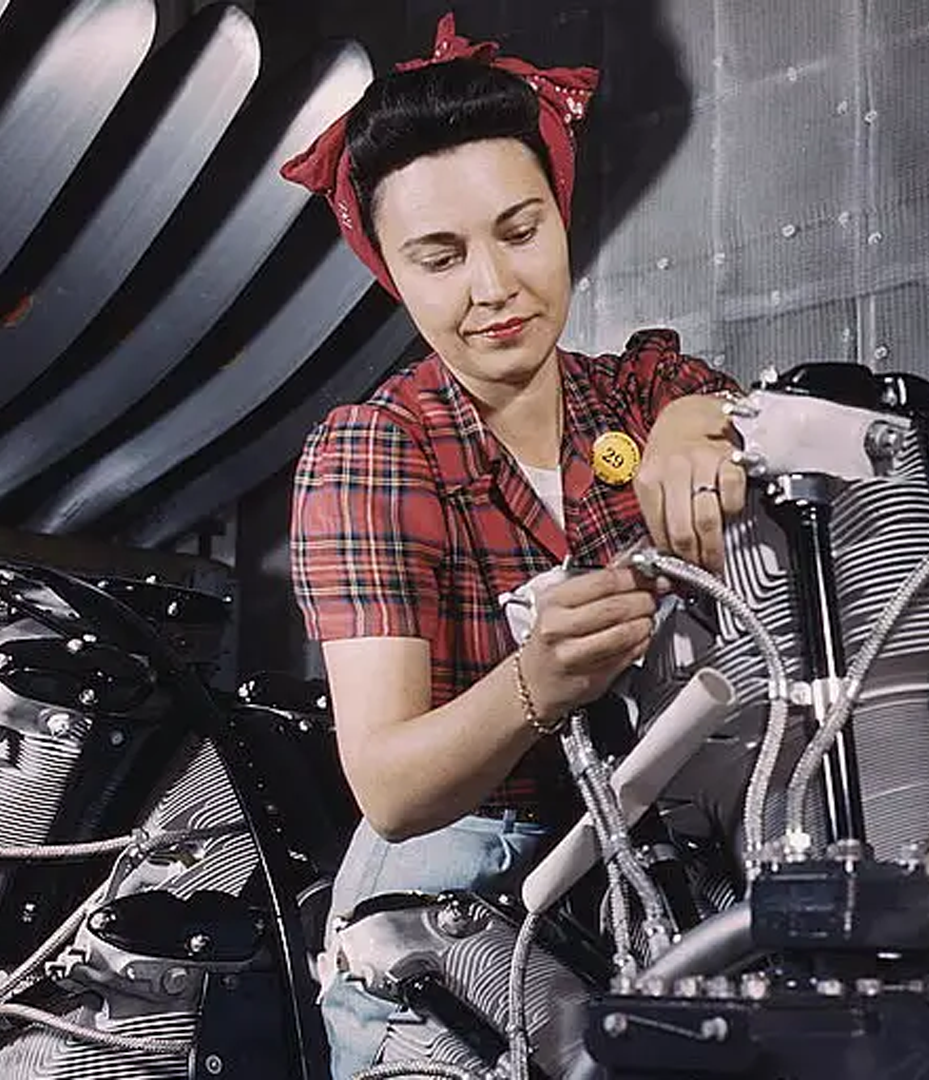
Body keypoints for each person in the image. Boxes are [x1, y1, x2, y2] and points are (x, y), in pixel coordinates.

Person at [279, 13, 747, 1076]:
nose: (493, 287)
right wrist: (538, 681)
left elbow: (706, 399)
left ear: (562, 213)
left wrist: (699, 423)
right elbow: (392, 787)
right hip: (452, 910)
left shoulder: (634, 390)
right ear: (390, 271)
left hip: (649, 876)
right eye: (438, 257)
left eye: (520, 230)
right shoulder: (375, 454)